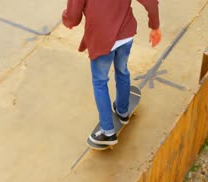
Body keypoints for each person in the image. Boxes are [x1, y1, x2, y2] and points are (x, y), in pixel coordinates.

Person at [62, 0, 162, 146]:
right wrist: (155, 26)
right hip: (125, 34)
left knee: (100, 82)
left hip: (101, 39)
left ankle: (108, 132)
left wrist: (68, 21)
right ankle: (122, 111)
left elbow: (73, 15)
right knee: (122, 70)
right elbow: (151, 2)